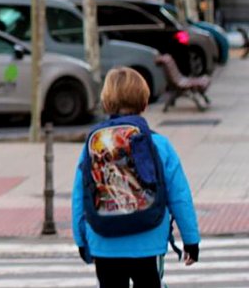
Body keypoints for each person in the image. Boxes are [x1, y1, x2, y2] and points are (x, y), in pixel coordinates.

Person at [72, 68, 201, 288]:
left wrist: (82, 240)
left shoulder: (94, 146)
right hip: (148, 239)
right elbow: (180, 196)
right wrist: (191, 240)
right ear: (144, 102)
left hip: (104, 240)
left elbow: (79, 196)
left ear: (106, 101)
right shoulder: (159, 145)